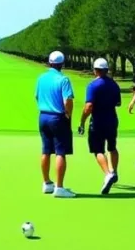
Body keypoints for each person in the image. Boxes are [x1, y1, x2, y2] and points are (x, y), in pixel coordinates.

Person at [78, 58, 122, 195]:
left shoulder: (93, 86)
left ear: (95, 70)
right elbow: (118, 103)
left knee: (98, 150)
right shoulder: (114, 84)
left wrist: (82, 122)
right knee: (112, 147)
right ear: (107, 70)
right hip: (112, 120)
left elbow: (88, 107)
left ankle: (107, 174)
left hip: (97, 122)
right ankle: (114, 171)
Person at [36, 50, 76, 198]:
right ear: (62, 64)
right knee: (60, 152)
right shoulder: (63, 79)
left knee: (46, 150)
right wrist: (68, 114)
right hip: (57, 117)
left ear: (49, 62)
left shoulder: (41, 78)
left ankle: (46, 183)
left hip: (43, 116)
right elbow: (68, 101)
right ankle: (59, 187)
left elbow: (37, 96)